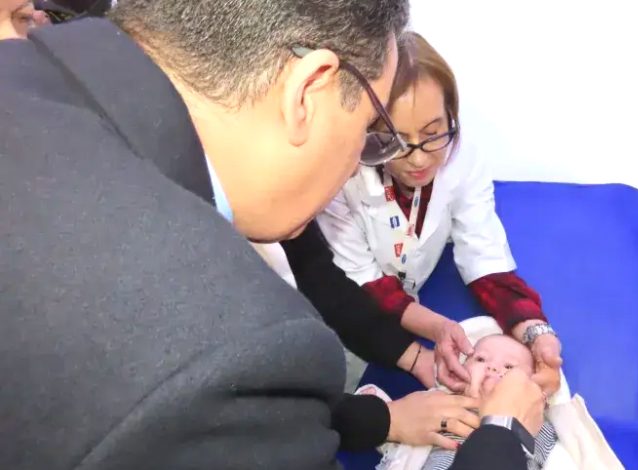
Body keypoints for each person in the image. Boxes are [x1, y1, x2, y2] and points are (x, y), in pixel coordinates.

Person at [0, 1, 544, 469]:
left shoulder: (25, 71)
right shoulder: (237, 355)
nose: (370, 159)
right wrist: (503, 435)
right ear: (307, 93)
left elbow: (319, 272)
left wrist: (388, 407)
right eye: (369, 133)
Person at [317, 32, 564, 395]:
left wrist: (535, 331)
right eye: (397, 142)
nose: (418, 159)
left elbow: (485, 261)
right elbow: (366, 285)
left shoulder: (464, 163)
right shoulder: (344, 178)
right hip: (335, 311)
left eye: (433, 134)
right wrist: (439, 328)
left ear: (451, 117)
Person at [421, 335, 558, 470]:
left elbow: (552, 450)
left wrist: (540, 401)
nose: (492, 366)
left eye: (509, 366)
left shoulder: (532, 421)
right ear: (458, 371)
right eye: (481, 359)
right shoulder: (444, 403)